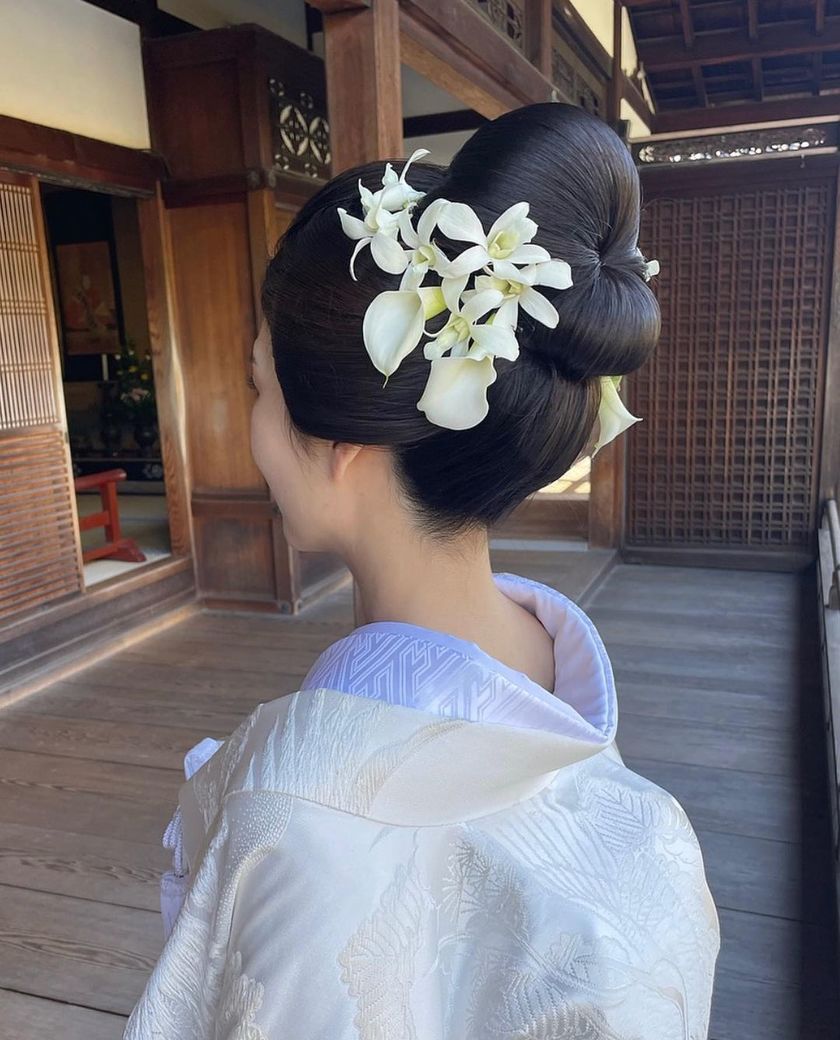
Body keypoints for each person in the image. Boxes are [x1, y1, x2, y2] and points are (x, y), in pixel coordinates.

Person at [124, 102, 720, 1040]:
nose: (251, 429)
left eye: (258, 388)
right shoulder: (622, 785)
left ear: (343, 445)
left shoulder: (289, 815)